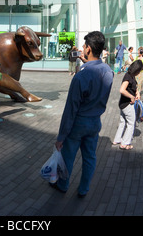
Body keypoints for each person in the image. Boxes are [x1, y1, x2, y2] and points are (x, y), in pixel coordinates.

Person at [52, 31, 113, 198]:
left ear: (88, 49)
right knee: (90, 158)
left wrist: (61, 136)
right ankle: (83, 189)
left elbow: (70, 109)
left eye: (84, 46)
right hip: (95, 122)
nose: (83, 48)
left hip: (79, 122)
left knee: (68, 156)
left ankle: (63, 185)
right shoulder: (108, 71)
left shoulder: (80, 76)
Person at [112, 60, 143, 150]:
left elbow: (134, 87)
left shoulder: (131, 75)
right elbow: (122, 90)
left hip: (123, 103)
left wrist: (137, 93)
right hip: (127, 104)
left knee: (122, 122)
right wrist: (132, 97)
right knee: (131, 123)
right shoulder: (128, 77)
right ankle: (125, 143)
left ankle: (117, 139)